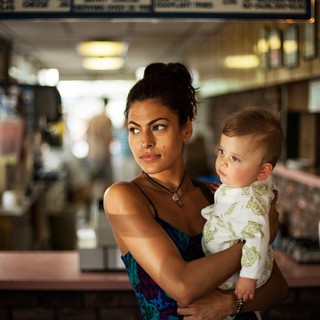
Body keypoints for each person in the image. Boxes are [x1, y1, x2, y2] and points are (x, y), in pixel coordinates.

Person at [103, 63, 288, 319]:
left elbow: (278, 288)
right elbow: (182, 286)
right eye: (134, 129)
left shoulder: (217, 195)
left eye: (157, 127)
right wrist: (256, 238)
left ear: (186, 129)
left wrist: (230, 304)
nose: (144, 141)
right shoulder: (124, 197)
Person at [201, 107, 284, 305]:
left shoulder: (251, 203)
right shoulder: (249, 182)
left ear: (263, 170)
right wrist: (224, 192)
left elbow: (257, 238)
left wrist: (248, 277)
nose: (222, 162)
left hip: (236, 276)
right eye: (222, 151)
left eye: (235, 158)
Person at [86, 97, 113, 197]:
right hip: (104, 154)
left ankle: (91, 208)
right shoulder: (107, 119)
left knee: (91, 182)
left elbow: (87, 136)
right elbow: (109, 138)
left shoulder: (92, 119)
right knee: (107, 185)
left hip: (92, 154)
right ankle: (105, 209)